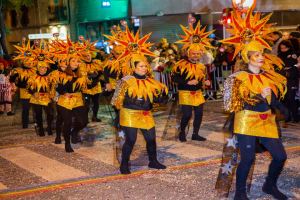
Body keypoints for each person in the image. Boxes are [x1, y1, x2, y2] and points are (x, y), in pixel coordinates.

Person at [215, 7, 289, 200]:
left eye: (262, 54)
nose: (261, 57)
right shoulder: (236, 78)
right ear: (247, 58)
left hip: (265, 120)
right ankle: (240, 193)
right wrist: (258, 98)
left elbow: (271, 98)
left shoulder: (269, 76)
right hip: (246, 120)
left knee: (280, 157)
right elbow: (230, 104)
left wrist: (280, 106)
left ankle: (269, 185)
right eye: (255, 54)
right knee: (247, 158)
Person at [109, 26, 168, 174]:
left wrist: (161, 99)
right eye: (140, 66)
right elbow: (116, 100)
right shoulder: (125, 80)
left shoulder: (151, 81)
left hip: (146, 114)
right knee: (131, 140)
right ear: (134, 67)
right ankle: (124, 164)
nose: (144, 68)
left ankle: (153, 161)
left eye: (145, 65)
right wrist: (121, 111)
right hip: (129, 114)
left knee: (151, 139)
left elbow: (154, 98)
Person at [171, 21, 212, 142]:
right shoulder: (180, 65)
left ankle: (195, 134)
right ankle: (182, 132)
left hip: (198, 93)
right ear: (189, 54)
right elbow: (173, 78)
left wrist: (206, 83)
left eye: (198, 53)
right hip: (185, 93)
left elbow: (204, 78)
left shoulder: (201, 66)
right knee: (187, 114)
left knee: (199, 114)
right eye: (193, 53)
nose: (196, 55)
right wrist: (187, 82)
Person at [52, 37, 89, 152]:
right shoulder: (61, 75)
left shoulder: (81, 74)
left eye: (77, 61)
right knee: (66, 122)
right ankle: (67, 143)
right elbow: (60, 90)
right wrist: (71, 81)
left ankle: (74, 132)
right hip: (64, 100)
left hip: (77, 99)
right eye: (73, 61)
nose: (75, 63)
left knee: (83, 122)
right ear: (68, 63)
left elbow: (86, 87)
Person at [10, 41, 37, 128]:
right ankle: (25, 123)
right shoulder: (18, 70)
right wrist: (14, 87)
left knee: (36, 108)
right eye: (28, 62)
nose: (30, 63)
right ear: (23, 61)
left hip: (35, 92)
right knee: (25, 109)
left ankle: (37, 122)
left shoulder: (35, 70)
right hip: (24, 92)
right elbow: (12, 79)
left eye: (31, 62)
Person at [27, 59, 53, 136]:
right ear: (38, 68)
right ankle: (40, 128)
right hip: (36, 98)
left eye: (45, 67)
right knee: (38, 114)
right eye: (42, 67)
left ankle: (49, 127)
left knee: (50, 113)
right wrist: (33, 93)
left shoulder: (49, 77)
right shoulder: (33, 77)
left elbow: (52, 87)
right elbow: (28, 87)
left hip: (47, 97)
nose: (44, 69)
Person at [79, 39, 103, 122]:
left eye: (88, 55)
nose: (87, 57)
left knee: (96, 102)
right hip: (86, 87)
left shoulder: (97, 63)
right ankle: (85, 118)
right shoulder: (80, 65)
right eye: (85, 56)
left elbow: (100, 72)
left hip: (96, 86)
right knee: (87, 103)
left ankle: (94, 116)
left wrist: (93, 76)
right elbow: (82, 75)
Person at [278, 40, 299, 123]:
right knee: (285, 98)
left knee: (291, 98)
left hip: (292, 79)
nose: (283, 50)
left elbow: (290, 64)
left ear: (289, 47)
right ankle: (287, 116)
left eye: (285, 48)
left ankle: (295, 116)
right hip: (282, 79)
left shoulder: (293, 54)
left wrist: (284, 65)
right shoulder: (279, 56)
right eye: (281, 48)